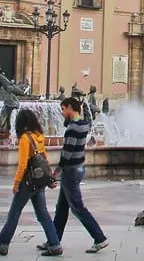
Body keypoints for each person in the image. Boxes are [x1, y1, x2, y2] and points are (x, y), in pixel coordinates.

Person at [0, 109, 62, 256]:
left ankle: (2, 245)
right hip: (39, 181)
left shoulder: (25, 139)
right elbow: (44, 159)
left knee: (14, 213)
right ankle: (55, 244)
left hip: (27, 182)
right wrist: (50, 179)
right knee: (43, 214)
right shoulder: (39, 136)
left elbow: (22, 165)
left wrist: (16, 184)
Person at [43, 98, 108, 254]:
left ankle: (99, 238)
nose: (62, 112)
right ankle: (54, 240)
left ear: (70, 108)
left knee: (77, 207)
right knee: (62, 208)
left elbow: (67, 154)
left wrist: (55, 173)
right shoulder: (83, 124)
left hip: (70, 170)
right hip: (78, 167)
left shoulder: (73, 127)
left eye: (63, 109)